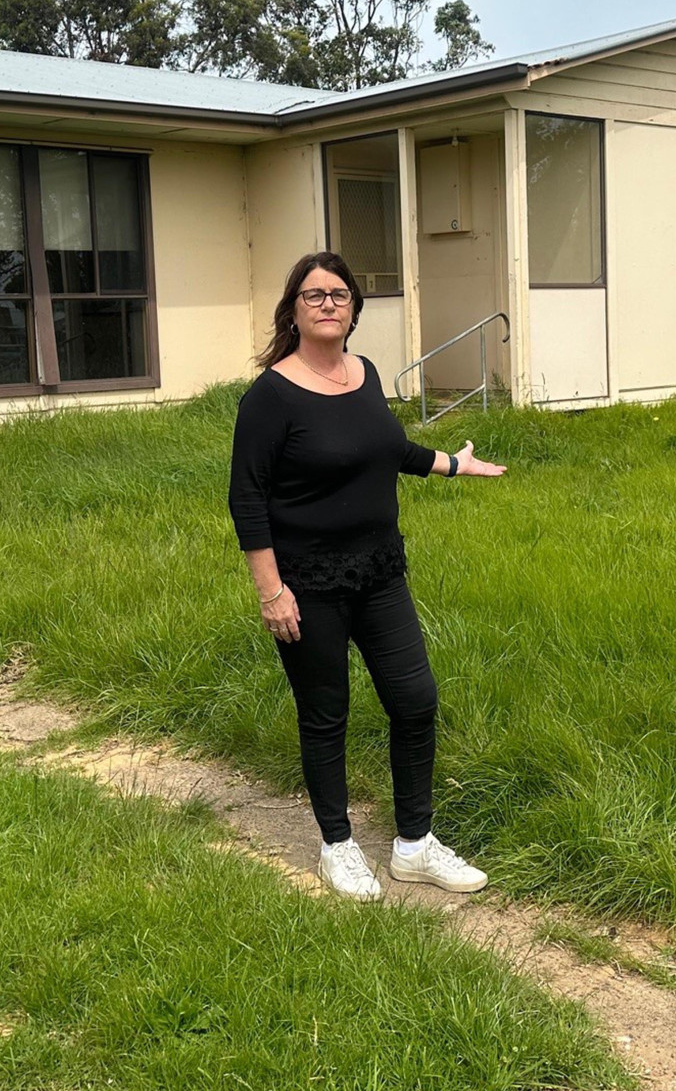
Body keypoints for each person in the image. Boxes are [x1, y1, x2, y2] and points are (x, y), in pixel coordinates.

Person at [227, 251, 505, 901]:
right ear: (292, 310)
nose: (328, 303)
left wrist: (454, 464)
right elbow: (248, 499)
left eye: (340, 294)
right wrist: (271, 590)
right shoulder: (270, 396)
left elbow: (390, 448)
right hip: (307, 583)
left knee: (416, 699)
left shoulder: (366, 372)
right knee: (327, 715)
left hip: (381, 572)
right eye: (314, 294)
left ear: (354, 309)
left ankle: (413, 845)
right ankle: (337, 846)